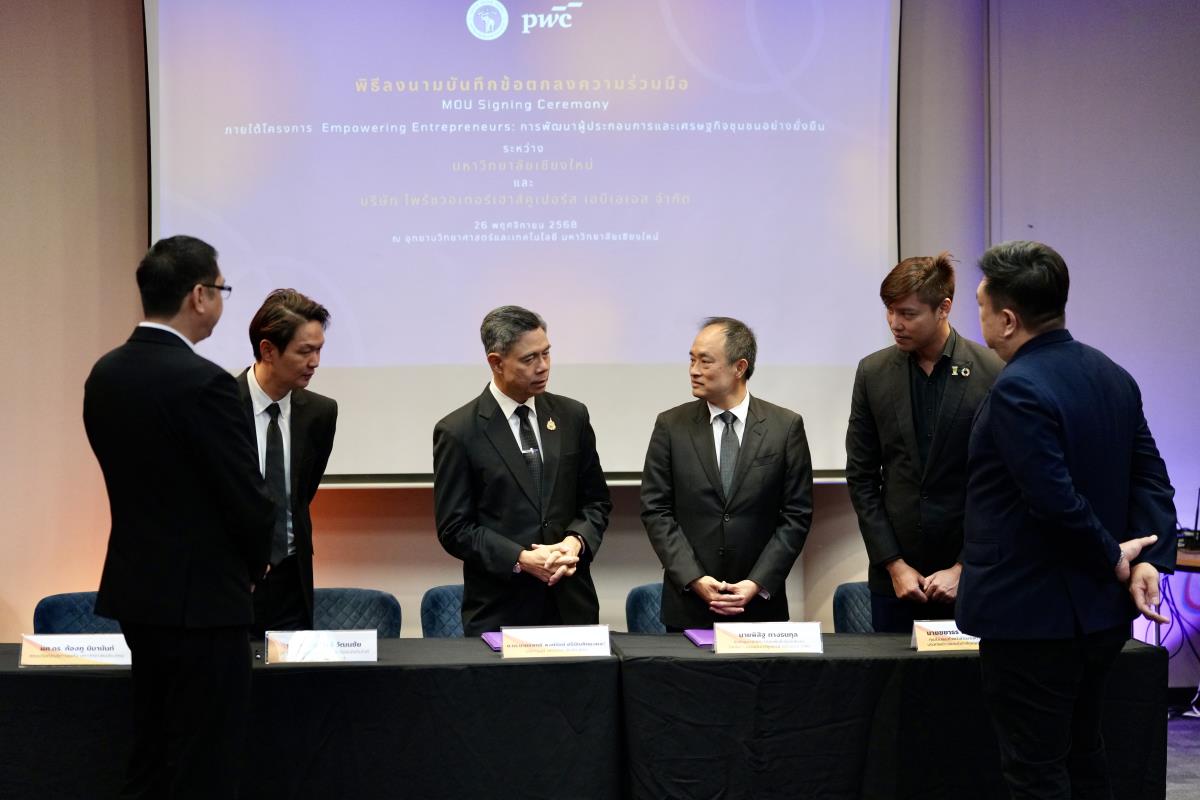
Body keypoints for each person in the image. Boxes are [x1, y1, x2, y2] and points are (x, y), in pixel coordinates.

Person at [957, 240, 1177, 799]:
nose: (978, 319)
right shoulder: (1112, 375)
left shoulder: (1018, 388)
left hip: (1031, 619)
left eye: (980, 306)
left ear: (1008, 319)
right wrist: (1148, 560)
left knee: (1035, 771)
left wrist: (1116, 555)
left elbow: (1053, 500)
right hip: (1100, 617)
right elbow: (1152, 479)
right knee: (1084, 755)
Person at [84, 235, 275, 798]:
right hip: (205, 602)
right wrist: (254, 564)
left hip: (138, 593)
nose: (220, 301)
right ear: (198, 295)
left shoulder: (105, 373)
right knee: (206, 762)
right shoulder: (205, 383)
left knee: (152, 751)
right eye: (220, 289)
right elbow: (246, 497)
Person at [845, 253, 1003, 632]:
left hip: (971, 579)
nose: (895, 323)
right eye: (890, 310)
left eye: (908, 313)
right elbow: (862, 478)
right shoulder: (873, 372)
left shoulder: (992, 371)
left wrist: (964, 566)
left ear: (943, 308)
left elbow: (1001, 483)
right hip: (896, 583)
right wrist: (893, 564)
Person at [432, 305, 611, 636]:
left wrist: (575, 542)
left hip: (572, 605)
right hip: (501, 609)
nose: (543, 366)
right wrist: (519, 558)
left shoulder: (572, 416)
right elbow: (455, 528)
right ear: (496, 363)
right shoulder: (458, 431)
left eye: (546, 353)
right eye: (529, 359)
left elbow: (596, 502)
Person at [641, 317, 813, 629]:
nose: (694, 370)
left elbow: (796, 515)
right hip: (690, 606)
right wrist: (693, 578)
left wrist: (757, 582)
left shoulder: (785, 427)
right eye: (692, 360)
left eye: (705, 361)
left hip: (760, 608)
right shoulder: (671, 426)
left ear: (739, 367)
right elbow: (656, 510)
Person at [236, 289, 337, 637]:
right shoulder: (219, 406)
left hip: (292, 581)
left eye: (319, 349)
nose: (315, 362)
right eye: (305, 351)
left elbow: (302, 494)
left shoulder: (321, 413)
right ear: (268, 350)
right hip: (232, 581)